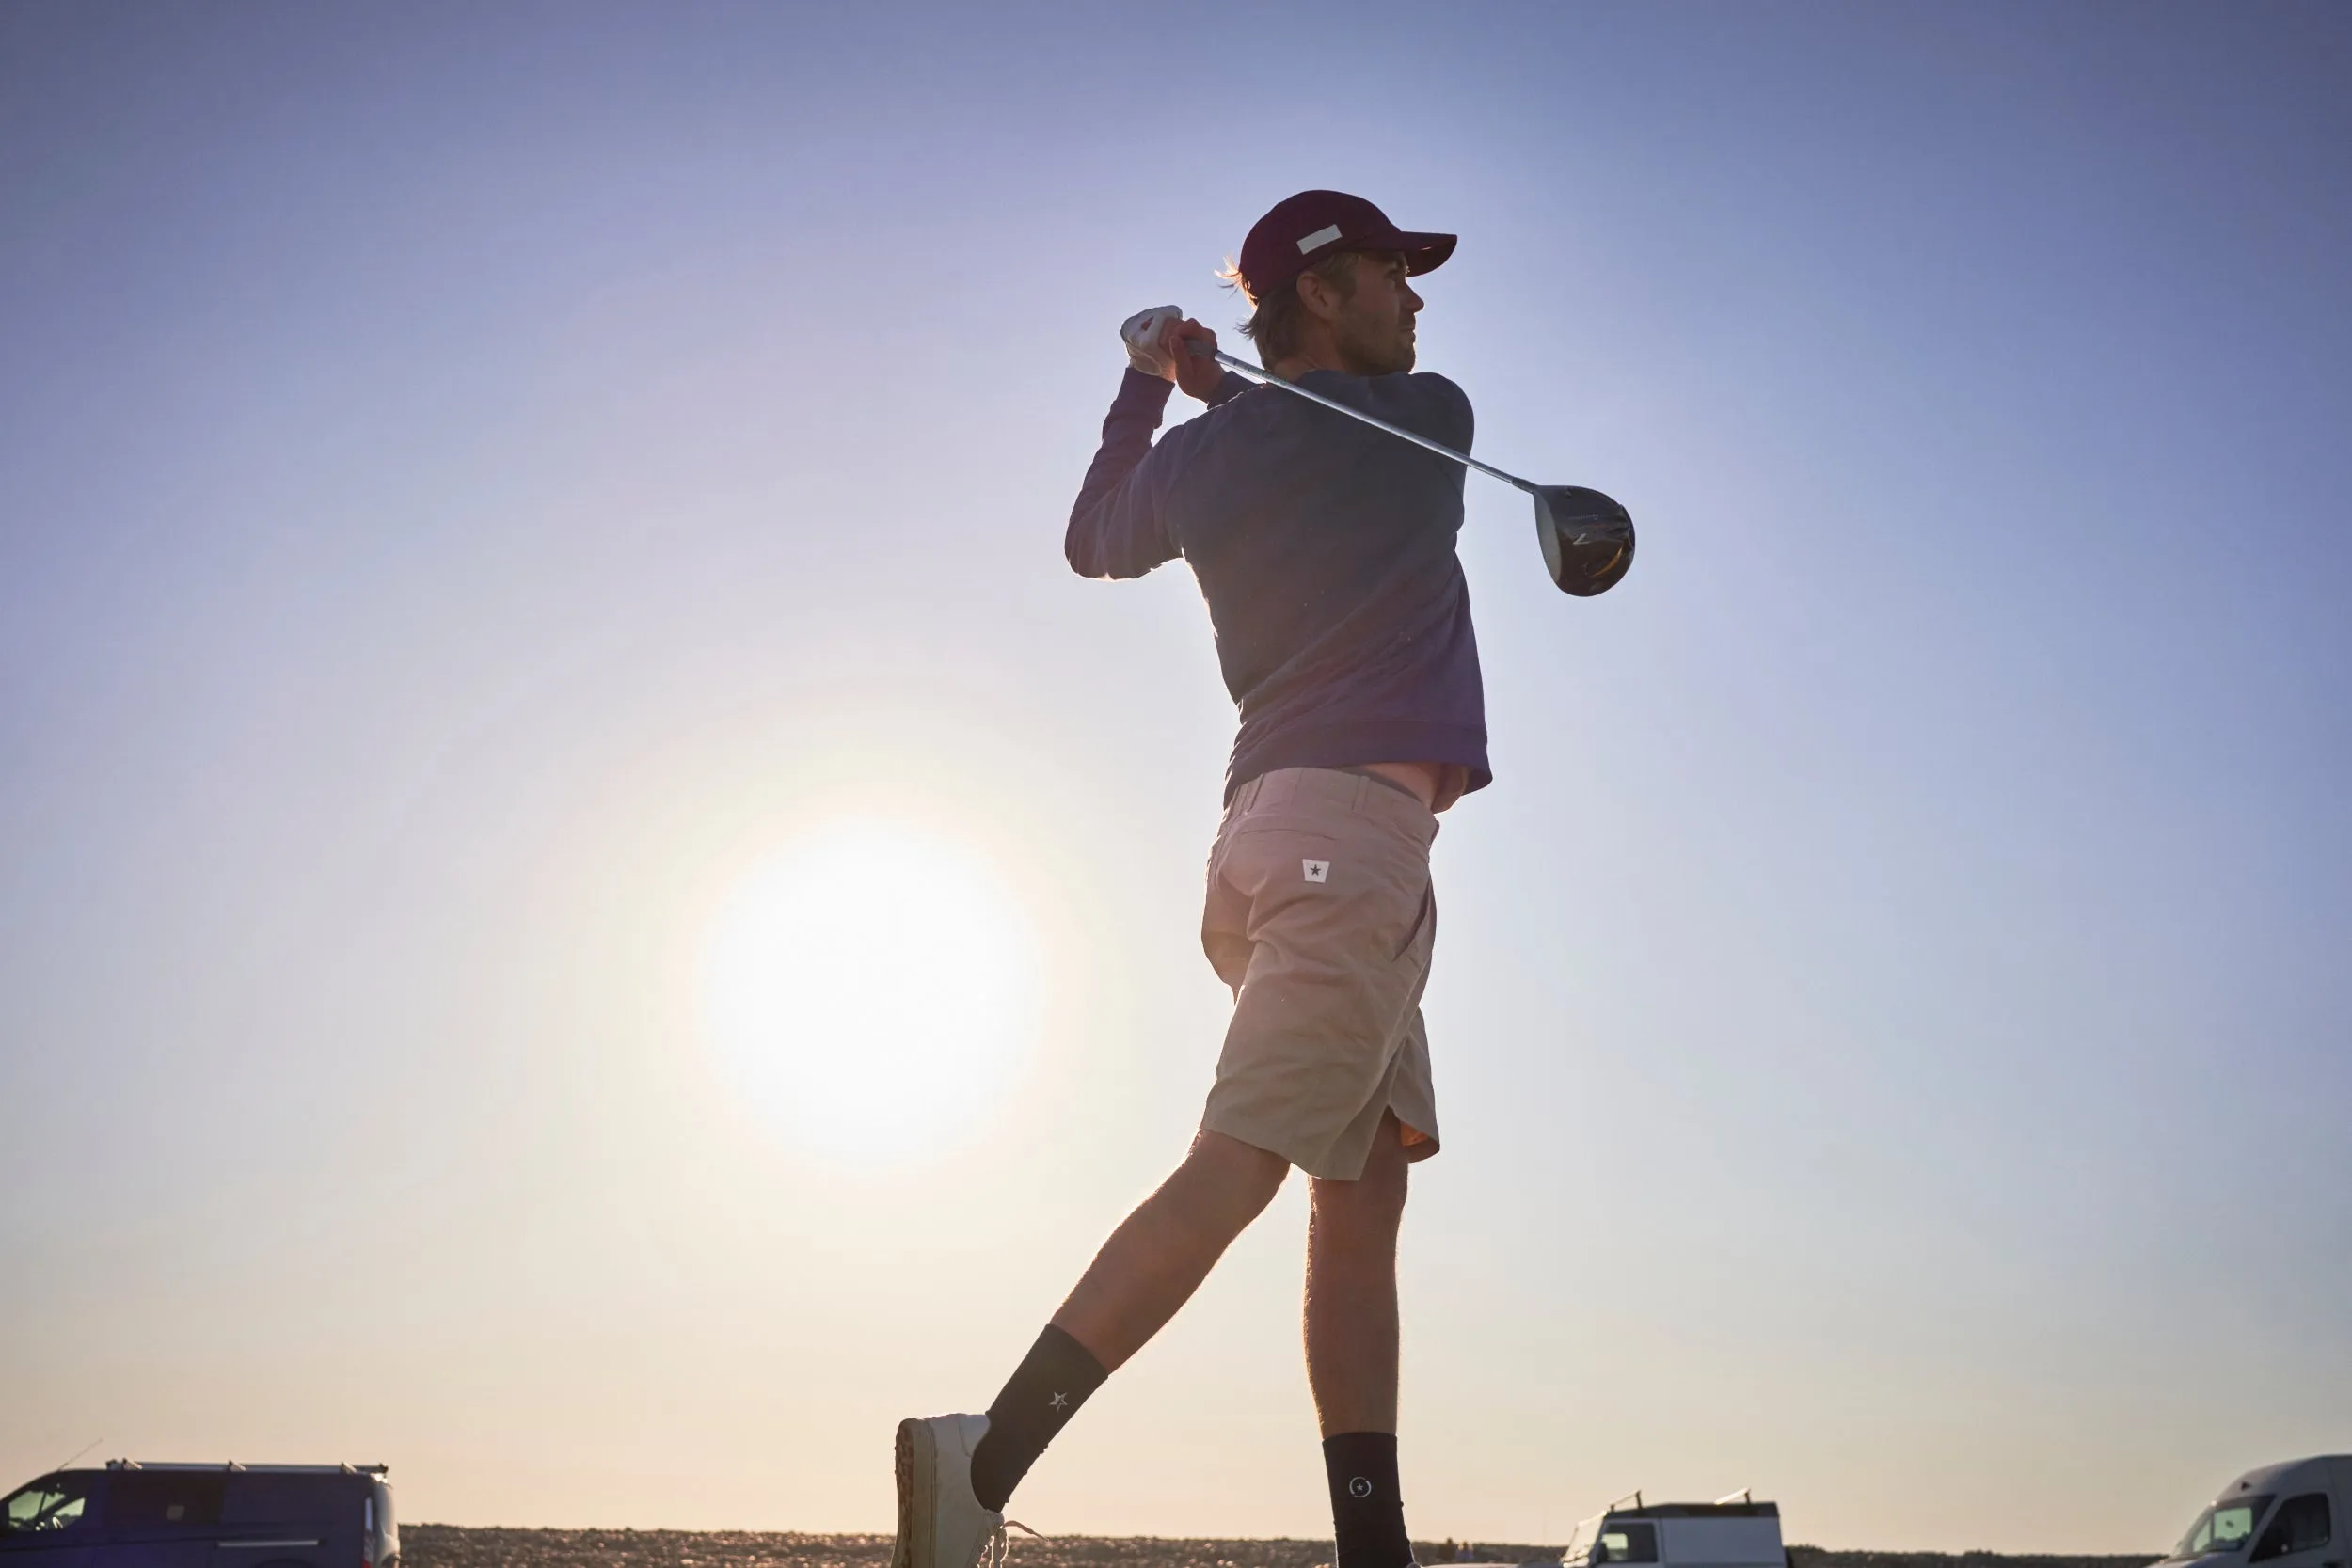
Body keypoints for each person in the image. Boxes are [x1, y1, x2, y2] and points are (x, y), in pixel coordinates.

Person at [892, 190, 1487, 1568]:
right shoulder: (1434, 417)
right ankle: (984, 1456)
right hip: (1349, 843)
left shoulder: (1217, 451)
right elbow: (1348, 425)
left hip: (1285, 836)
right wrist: (1212, 384)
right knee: (1237, 1168)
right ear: (1328, 290)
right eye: (1397, 273)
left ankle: (1372, 1548)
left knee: (1365, 1193)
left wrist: (1151, 383)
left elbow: (1096, 532)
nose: (1419, 300)